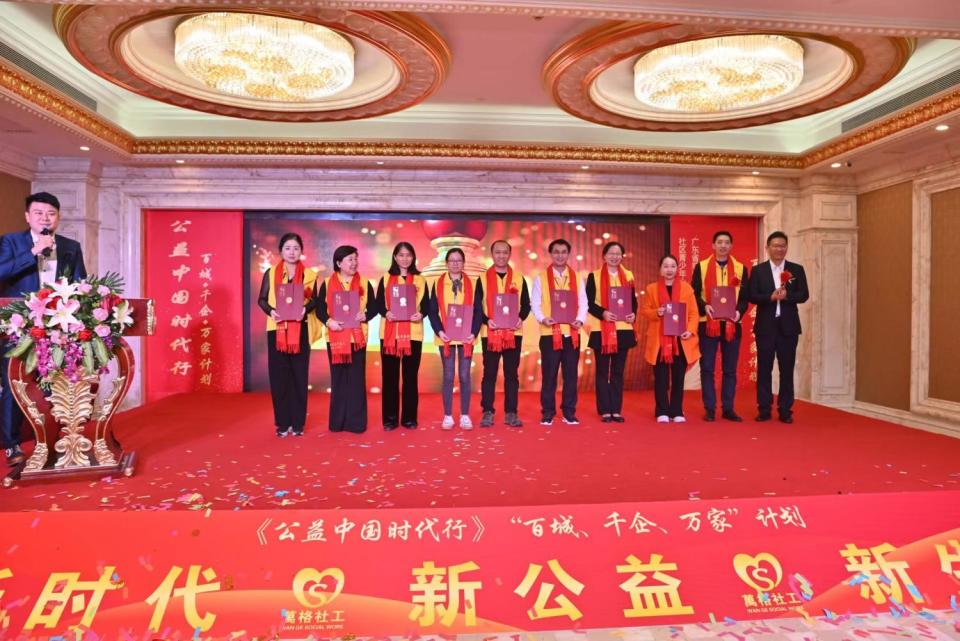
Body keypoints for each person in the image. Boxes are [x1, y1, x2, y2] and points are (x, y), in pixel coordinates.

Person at [0, 192, 87, 466]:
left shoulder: (70, 246)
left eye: (51, 213)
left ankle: (63, 438)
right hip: (18, 325)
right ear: (28, 217)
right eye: (38, 213)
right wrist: (33, 253)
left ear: (58, 218)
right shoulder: (11, 242)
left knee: (57, 383)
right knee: (14, 385)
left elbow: (80, 283)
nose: (45, 218)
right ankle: (11, 445)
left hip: (57, 325)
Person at [257, 233, 322, 437]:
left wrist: (305, 309)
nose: (292, 252)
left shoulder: (310, 275)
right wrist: (271, 312)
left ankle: (298, 423)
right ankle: (283, 423)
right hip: (276, 329)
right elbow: (261, 299)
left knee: (299, 376)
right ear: (281, 251)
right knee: (279, 377)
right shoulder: (271, 273)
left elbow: (316, 300)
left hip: (300, 329)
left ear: (301, 251)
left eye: (296, 248)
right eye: (287, 248)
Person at [748, 231, 809, 424]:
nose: (779, 249)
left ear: (786, 248)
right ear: (767, 248)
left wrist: (787, 296)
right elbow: (751, 295)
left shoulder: (796, 269)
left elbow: (804, 295)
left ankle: (785, 410)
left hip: (788, 328)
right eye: (775, 245)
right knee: (764, 369)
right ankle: (764, 409)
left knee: (787, 370)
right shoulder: (758, 271)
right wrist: (770, 297)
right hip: (765, 327)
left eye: (782, 246)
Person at [316, 245, 378, 433]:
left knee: (357, 380)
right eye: (350, 259)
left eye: (355, 259)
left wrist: (365, 315)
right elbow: (319, 309)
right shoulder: (327, 283)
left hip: (357, 338)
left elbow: (374, 307)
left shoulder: (364, 282)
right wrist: (329, 322)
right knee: (338, 379)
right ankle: (337, 422)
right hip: (335, 337)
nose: (354, 262)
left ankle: (356, 423)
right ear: (338, 263)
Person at [690, 230, 751, 422]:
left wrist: (739, 312)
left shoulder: (741, 269)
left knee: (730, 369)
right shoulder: (701, 267)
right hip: (708, 323)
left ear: (731, 246)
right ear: (713, 245)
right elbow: (694, 293)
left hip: (732, 323)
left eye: (726, 242)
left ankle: (728, 408)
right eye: (719, 242)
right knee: (707, 367)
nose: (723, 245)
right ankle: (709, 408)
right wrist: (704, 306)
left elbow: (745, 297)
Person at [531, 239, 587, 426]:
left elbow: (583, 302)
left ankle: (569, 412)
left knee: (570, 375)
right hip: (549, 333)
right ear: (551, 254)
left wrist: (580, 319)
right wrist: (542, 318)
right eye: (556, 252)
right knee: (549, 375)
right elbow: (535, 303)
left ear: (568, 254)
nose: (560, 255)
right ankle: (547, 412)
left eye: (563, 252)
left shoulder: (576, 277)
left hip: (571, 334)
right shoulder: (541, 278)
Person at [474, 240, 530, 428]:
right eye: (497, 252)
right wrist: (485, 320)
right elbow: (476, 305)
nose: (501, 255)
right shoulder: (482, 279)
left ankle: (511, 412)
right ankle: (487, 411)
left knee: (511, 374)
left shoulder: (519, 278)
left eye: (505, 252)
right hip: (490, 332)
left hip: (513, 333)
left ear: (509, 254)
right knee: (489, 373)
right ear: (492, 254)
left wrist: (520, 318)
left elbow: (526, 304)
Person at [375, 242, 428, 430]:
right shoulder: (385, 278)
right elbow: (378, 303)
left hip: (413, 334)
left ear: (413, 257)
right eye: (401, 255)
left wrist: (421, 314)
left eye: (408, 255)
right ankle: (390, 419)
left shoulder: (420, 280)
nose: (405, 259)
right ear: (395, 257)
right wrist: (386, 312)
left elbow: (427, 305)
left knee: (410, 377)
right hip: (390, 334)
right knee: (389, 377)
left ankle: (409, 418)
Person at [641, 254, 700, 423]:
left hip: (680, 339)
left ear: (677, 269)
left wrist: (690, 330)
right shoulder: (652, 288)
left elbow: (694, 313)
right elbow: (645, 310)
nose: (669, 269)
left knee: (678, 377)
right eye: (666, 266)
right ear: (660, 269)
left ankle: (677, 410)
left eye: (673, 266)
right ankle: (661, 410)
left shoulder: (686, 288)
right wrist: (656, 312)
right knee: (661, 377)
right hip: (659, 340)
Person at [427, 248, 481, 430]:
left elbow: (478, 311)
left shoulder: (473, 283)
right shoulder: (438, 283)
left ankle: (465, 415)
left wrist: (473, 332)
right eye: (452, 260)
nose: (455, 263)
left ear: (463, 263)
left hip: (467, 337)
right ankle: (448, 415)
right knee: (449, 375)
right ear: (447, 263)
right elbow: (432, 311)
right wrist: (439, 331)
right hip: (446, 337)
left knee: (464, 375)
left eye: (459, 260)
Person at [586, 241, 637, 423]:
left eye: (618, 253)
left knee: (617, 372)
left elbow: (632, 300)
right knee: (602, 371)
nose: (614, 256)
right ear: (604, 256)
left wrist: (633, 314)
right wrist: (603, 313)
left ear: (622, 256)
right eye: (611, 253)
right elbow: (589, 303)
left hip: (623, 329)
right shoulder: (594, 276)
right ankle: (605, 410)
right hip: (602, 329)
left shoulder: (628, 275)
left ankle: (616, 409)